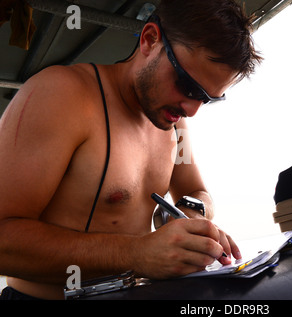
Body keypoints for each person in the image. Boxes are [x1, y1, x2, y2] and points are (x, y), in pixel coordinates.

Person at [0, 0, 262, 300]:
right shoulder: (61, 95)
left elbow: (199, 193)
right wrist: (136, 253)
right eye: (187, 86)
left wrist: (190, 218)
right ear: (150, 39)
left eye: (206, 98)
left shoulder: (175, 126)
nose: (192, 110)